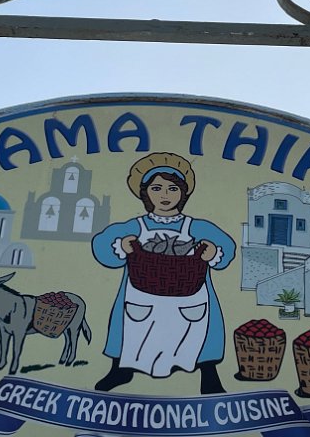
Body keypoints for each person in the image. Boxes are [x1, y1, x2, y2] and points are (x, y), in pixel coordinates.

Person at [91, 152, 235, 394]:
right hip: (142, 293)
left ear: (183, 193)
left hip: (189, 294)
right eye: (156, 188)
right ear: (145, 193)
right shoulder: (136, 226)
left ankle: (209, 376)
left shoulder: (195, 227)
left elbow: (226, 246)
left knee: (200, 332)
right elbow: (103, 244)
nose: (164, 195)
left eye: (172, 189)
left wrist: (214, 252)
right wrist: (121, 246)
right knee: (132, 330)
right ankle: (121, 370)